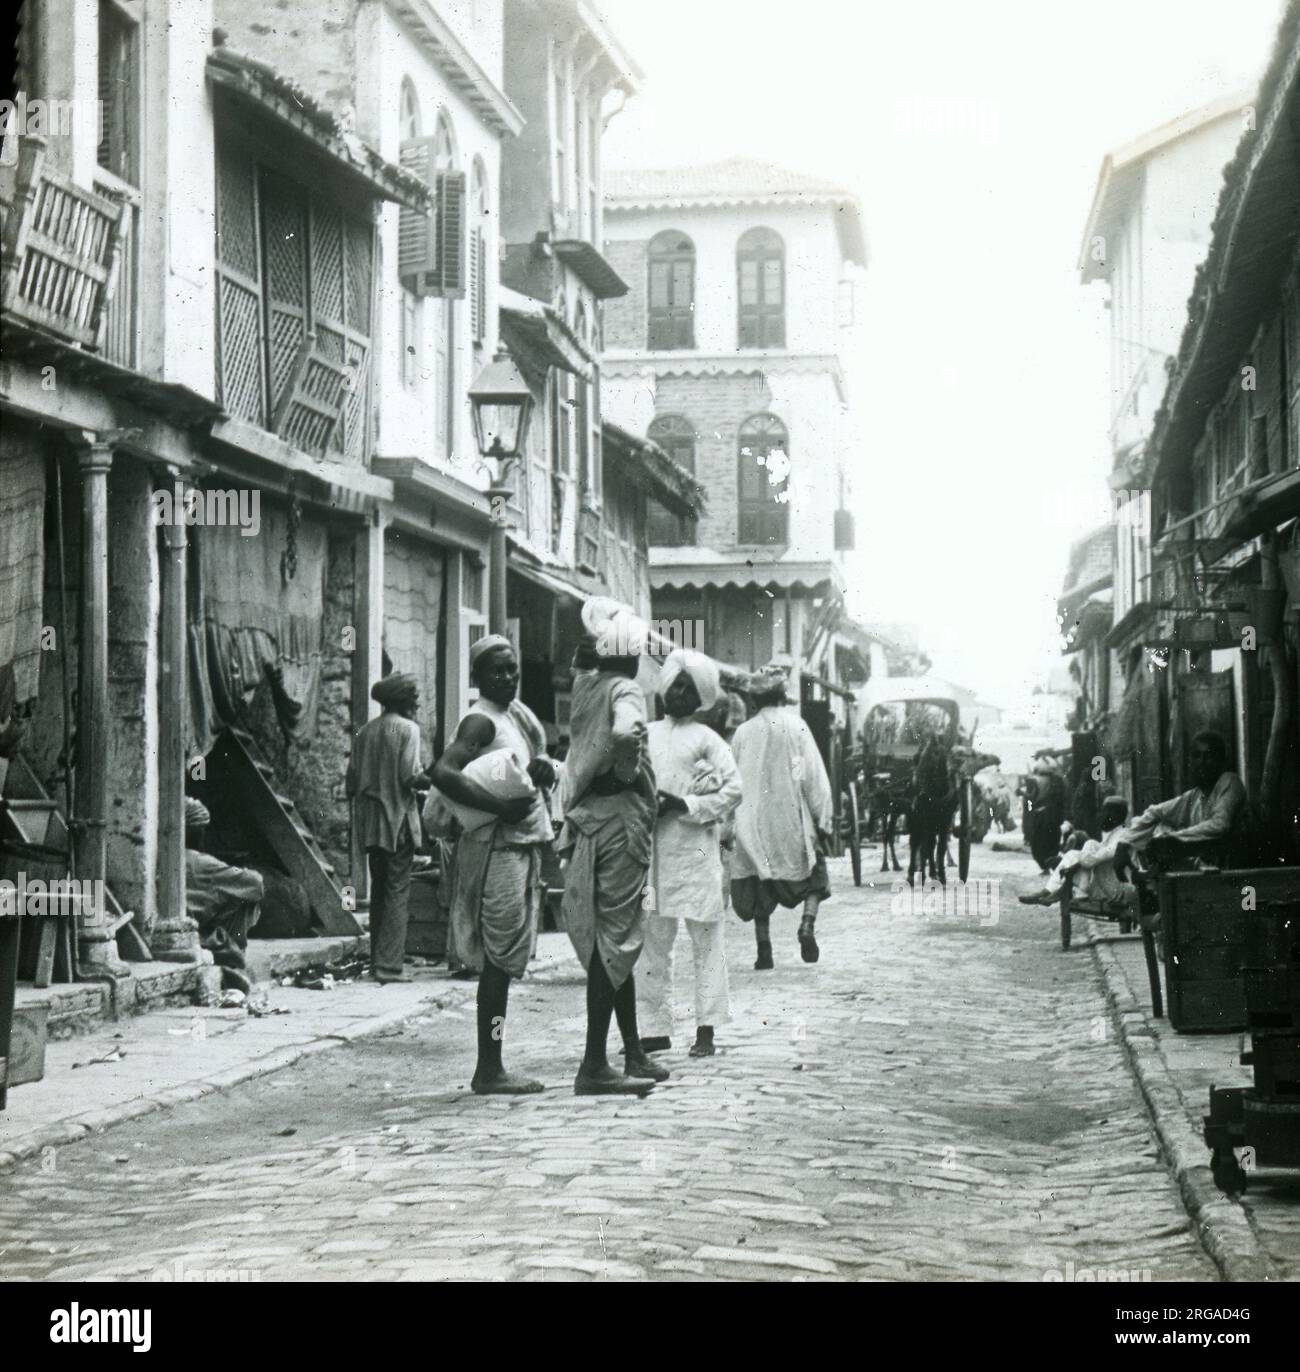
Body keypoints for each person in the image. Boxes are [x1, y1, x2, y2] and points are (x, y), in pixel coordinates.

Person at [431, 635, 554, 1095]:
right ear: (478, 677)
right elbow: (442, 773)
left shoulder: (513, 717)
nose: (506, 678)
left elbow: (517, 772)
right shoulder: (480, 720)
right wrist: (500, 809)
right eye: (496, 671)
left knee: (504, 959)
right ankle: (489, 1067)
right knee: (498, 961)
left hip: (518, 848)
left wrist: (539, 772)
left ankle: (493, 1063)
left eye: (512, 670)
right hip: (498, 849)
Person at [558, 598, 665, 1095]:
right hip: (620, 824)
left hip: (587, 826)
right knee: (618, 941)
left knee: (611, 939)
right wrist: (623, 773)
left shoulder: (585, 686)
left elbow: (582, 664)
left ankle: (633, 1050)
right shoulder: (625, 689)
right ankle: (595, 1063)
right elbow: (627, 731)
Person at [638, 649, 743, 1059]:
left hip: (696, 853)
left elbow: (732, 790)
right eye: (673, 684)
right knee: (650, 942)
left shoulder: (708, 741)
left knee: (707, 941)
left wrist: (684, 806)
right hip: (653, 855)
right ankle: (653, 1028)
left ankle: (707, 1028)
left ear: (699, 695)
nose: (677, 692)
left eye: (687, 687)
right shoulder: (645, 734)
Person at [730, 661, 833, 970]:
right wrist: (822, 817)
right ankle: (806, 925)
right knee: (815, 876)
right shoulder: (795, 727)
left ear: (754, 700)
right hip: (791, 816)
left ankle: (764, 949)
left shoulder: (743, 734)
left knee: (761, 878)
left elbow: (733, 779)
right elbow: (809, 774)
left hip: (754, 819)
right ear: (782, 696)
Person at [346, 673, 430, 984]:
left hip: (371, 825)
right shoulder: (408, 729)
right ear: (402, 701)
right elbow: (410, 777)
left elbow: (351, 782)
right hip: (398, 824)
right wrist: (434, 779)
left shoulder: (365, 732)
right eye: (413, 697)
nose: (417, 703)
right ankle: (390, 966)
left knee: (380, 890)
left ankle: (378, 962)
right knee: (397, 892)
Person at [1122, 730, 1246, 865]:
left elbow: (1219, 825)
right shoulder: (1194, 795)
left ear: (1222, 761)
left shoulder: (1230, 781)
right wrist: (1124, 844)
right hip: (1209, 875)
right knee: (1161, 825)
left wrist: (1171, 839)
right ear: (1190, 761)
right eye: (1197, 756)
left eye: (1209, 756)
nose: (1202, 762)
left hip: (1238, 874)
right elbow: (1155, 812)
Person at [183, 796, 263, 994]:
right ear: (199, 833)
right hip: (199, 937)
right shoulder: (201, 862)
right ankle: (232, 960)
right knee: (245, 899)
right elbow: (256, 885)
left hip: (179, 930)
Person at [1018, 796, 1136, 908]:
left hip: (1118, 891)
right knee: (1086, 847)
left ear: (1115, 815)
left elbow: (1090, 861)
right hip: (1107, 885)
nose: (1101, 815)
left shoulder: (1123, 836)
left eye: (1105, 812)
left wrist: (1071, 862)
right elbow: (1092, 858)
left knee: (1082, 850)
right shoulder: (1114, 833)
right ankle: (1054, 891)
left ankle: (1053, 891)